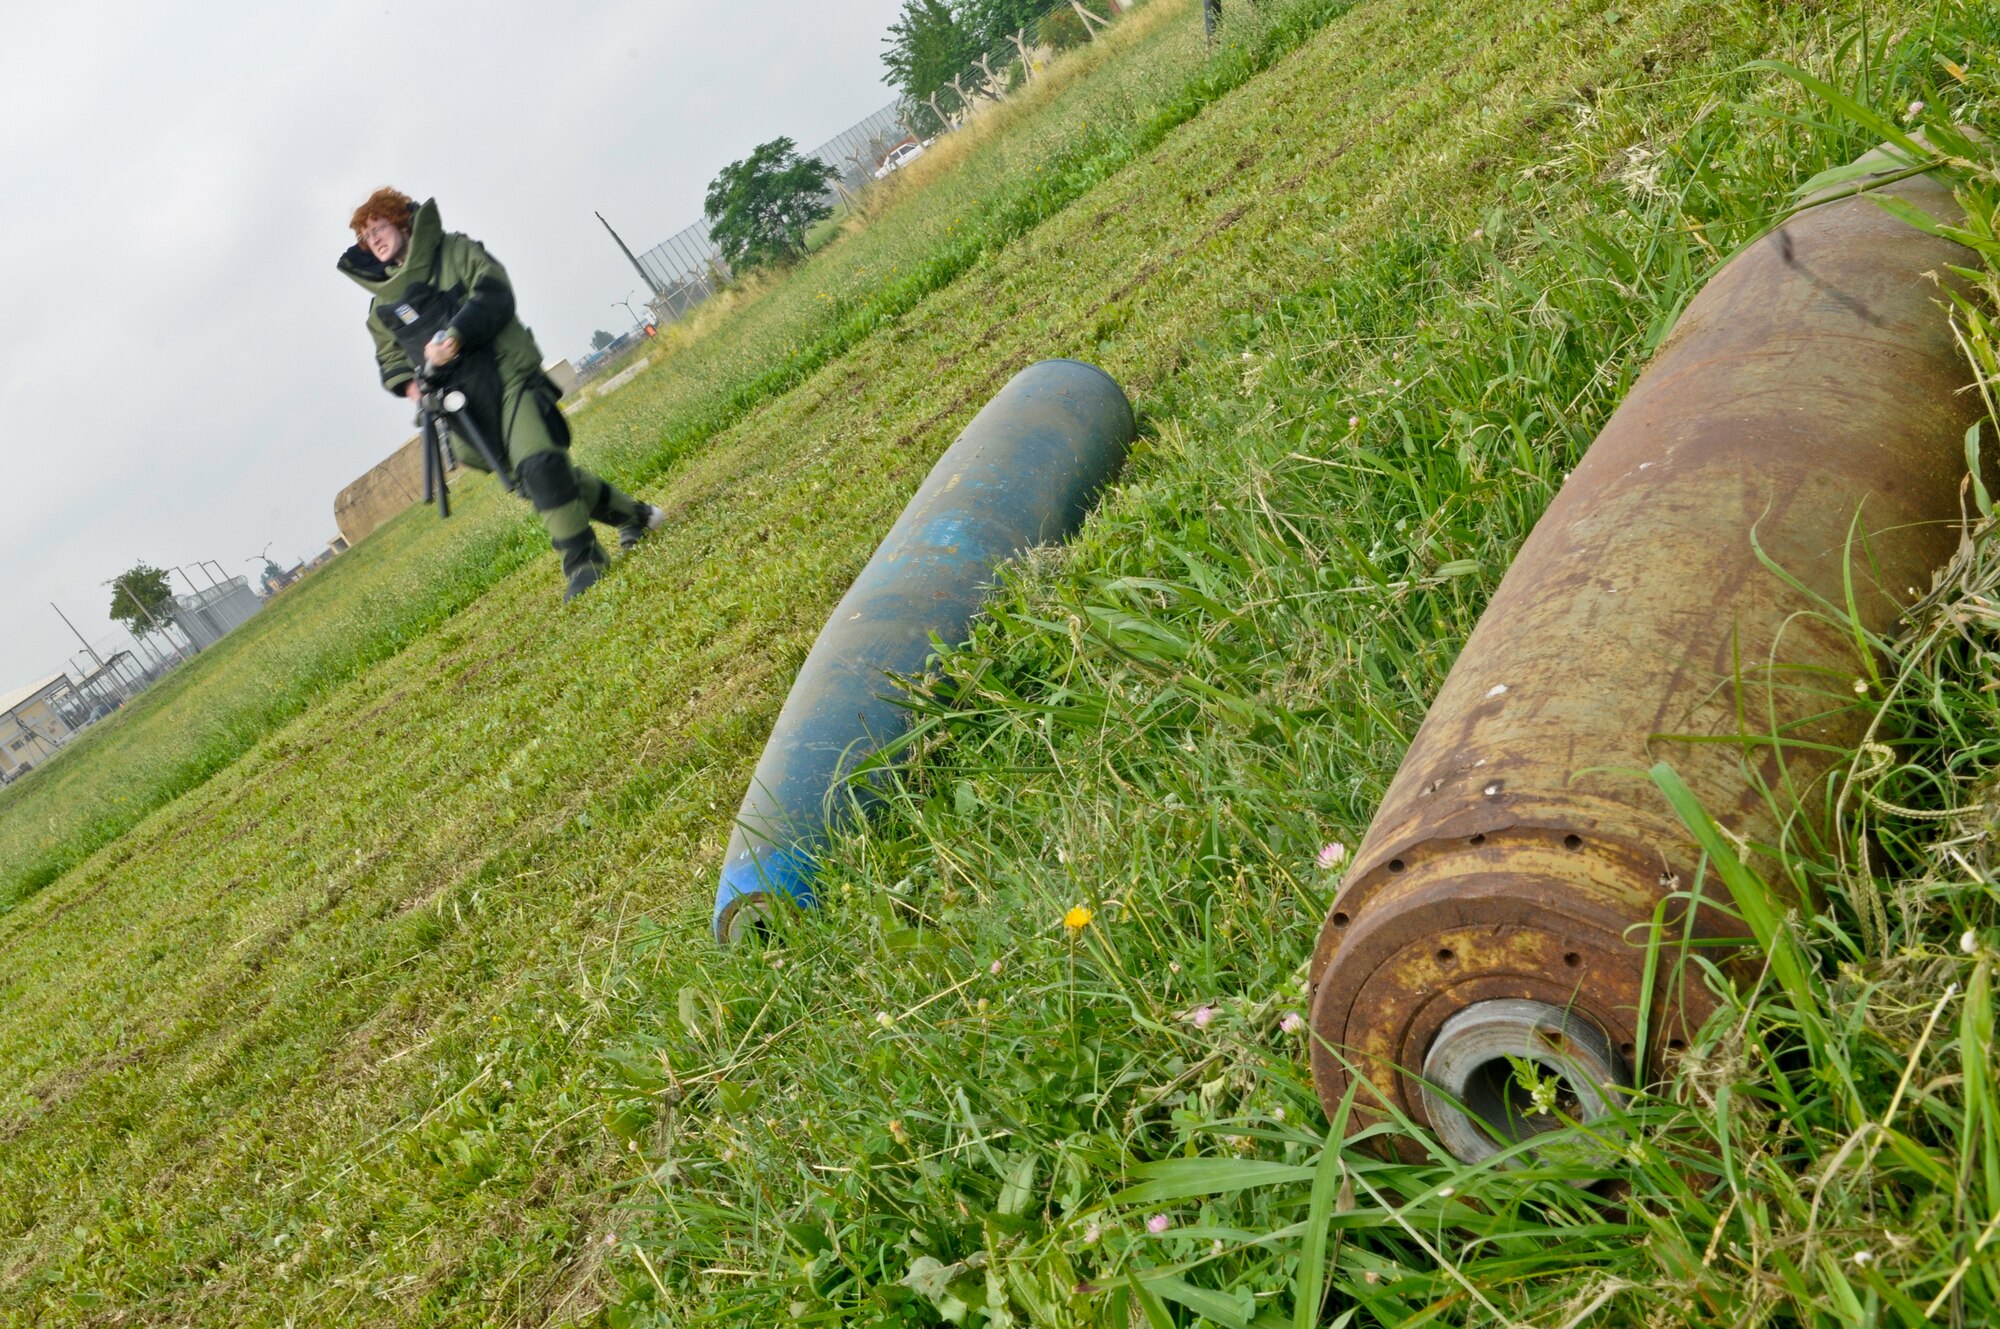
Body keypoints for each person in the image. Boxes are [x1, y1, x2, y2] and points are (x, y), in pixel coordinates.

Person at [338, 188, 664, 601]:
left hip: (508, 375)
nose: (375, 240)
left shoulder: (455, 251)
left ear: (402, 223)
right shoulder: (380, 308)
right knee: (538, 481)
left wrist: (453, 339)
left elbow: (495, 291)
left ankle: (584, 563)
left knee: (542, 464)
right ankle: (637, 515)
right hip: (464, 413)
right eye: (367, 237)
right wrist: (411, 387)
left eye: (379, 227)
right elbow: (391, 359)